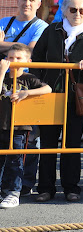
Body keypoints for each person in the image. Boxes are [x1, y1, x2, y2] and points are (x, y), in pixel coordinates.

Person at [31, 0, 83, 202]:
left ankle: (72, 188)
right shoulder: (50, 31)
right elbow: (36, 60)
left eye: (82, 10)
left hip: (75, 100)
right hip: (49, 96)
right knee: (47, 144)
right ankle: (45, 188)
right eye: (73, 9)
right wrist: (39, 85)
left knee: (72, 145)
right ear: (64, 10)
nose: (77, 14)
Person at [0, 0, 49, 197]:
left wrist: (5, 45)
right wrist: (21, 47)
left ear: (38, 4)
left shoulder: (41, 26)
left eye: (31, 0)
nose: (27, 3)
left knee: (29, 137)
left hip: (27, 83)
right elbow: (26, 47)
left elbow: (33, 49)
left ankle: (25, 183)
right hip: (3, 82)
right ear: (17, 0)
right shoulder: (4, 21)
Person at [0, 43, 51, 208]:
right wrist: (2, 71)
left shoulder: (29, 78)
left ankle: (13, 192)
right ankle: (3, 190)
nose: (14, 61)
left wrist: (27, 92)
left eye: (18, 58)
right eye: (11, 58)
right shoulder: (2, 76)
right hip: (1, 124)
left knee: (16, 160)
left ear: (28, 60)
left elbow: (47, 89)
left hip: (20, 128)